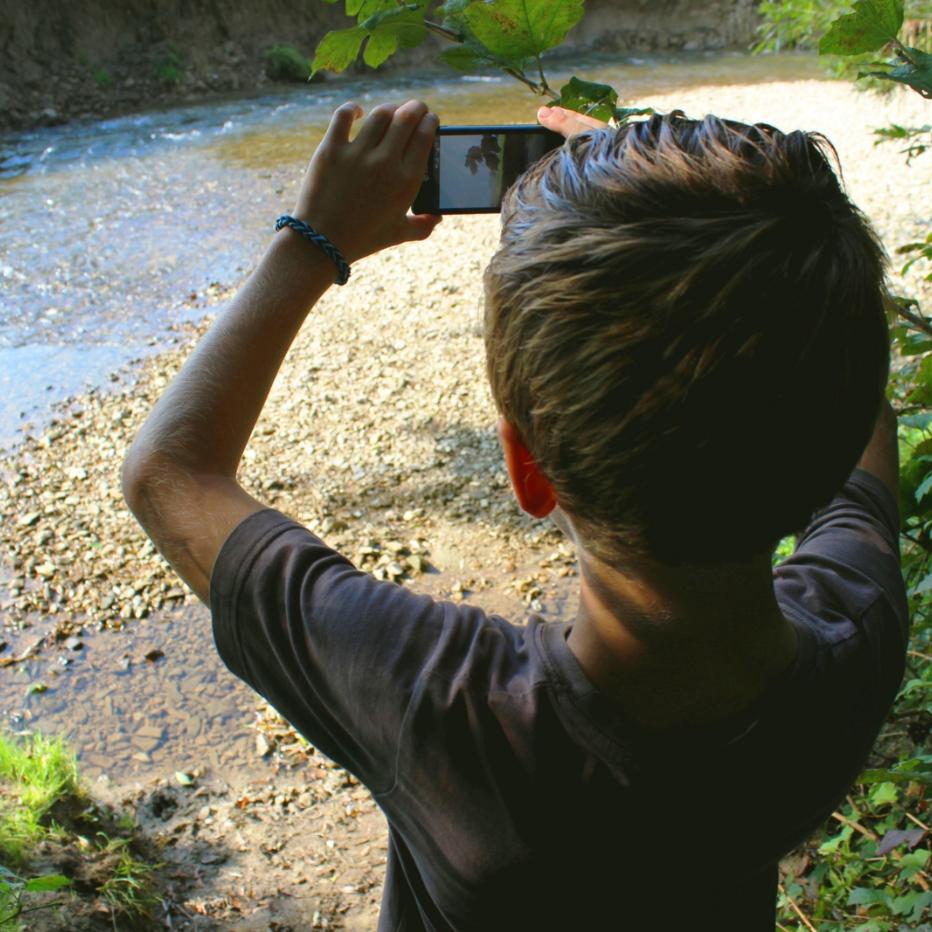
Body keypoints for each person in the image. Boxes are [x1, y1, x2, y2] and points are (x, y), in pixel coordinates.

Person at [123, 99, 909, 930]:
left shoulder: (440, 710)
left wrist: (312, 241)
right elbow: (861, 422)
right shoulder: (856, 639)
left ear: (525, 471)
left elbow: (168, 473)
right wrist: (692, 214)